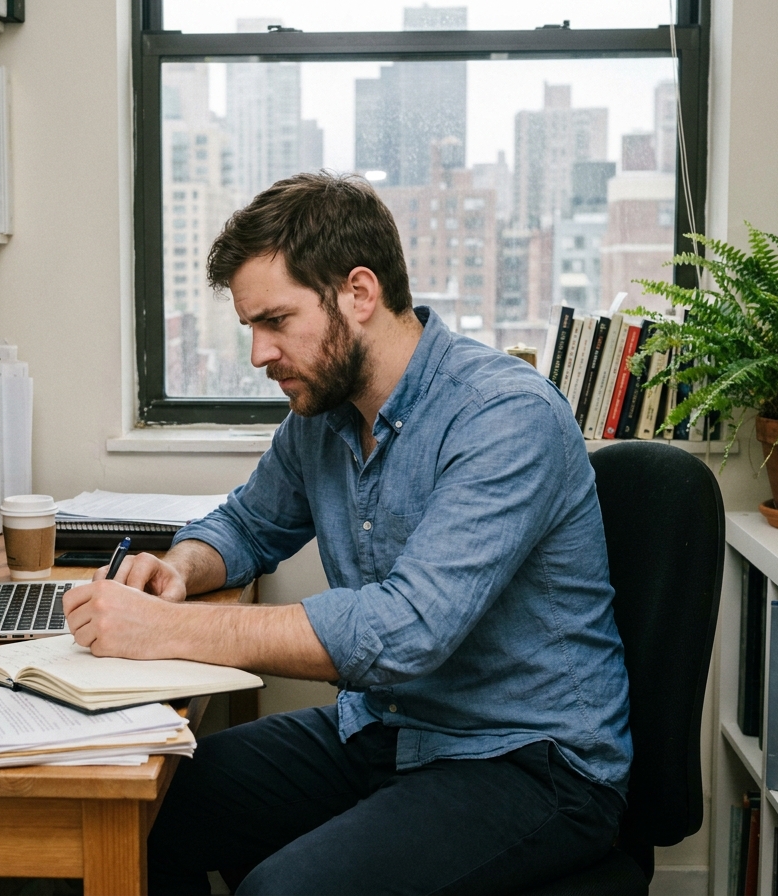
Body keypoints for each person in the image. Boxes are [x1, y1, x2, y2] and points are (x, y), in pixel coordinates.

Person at [62, 172, 631, 895]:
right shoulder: (321, 415)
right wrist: (180, 569)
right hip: (386, 730)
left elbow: (407, 629)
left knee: (279, 890)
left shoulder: (503, 416)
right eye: (251, 329)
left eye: (275, 321)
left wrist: (158, 631)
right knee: (149, 809)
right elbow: (247, 521)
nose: (259, 355)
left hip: (530, 762)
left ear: (359, 294)